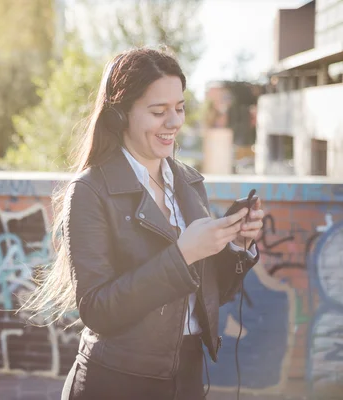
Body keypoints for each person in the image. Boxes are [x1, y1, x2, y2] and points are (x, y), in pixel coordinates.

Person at [22, 46, 264, 400]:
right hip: (116, 382)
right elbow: (98, 310)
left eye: (179, 108)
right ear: (121, 115)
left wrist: (236, 245)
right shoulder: (89, 192)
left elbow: (211, 294)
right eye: (158, 111)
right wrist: (183, 255)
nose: (174, 122)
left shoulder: (190, 184)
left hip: (187, 378)